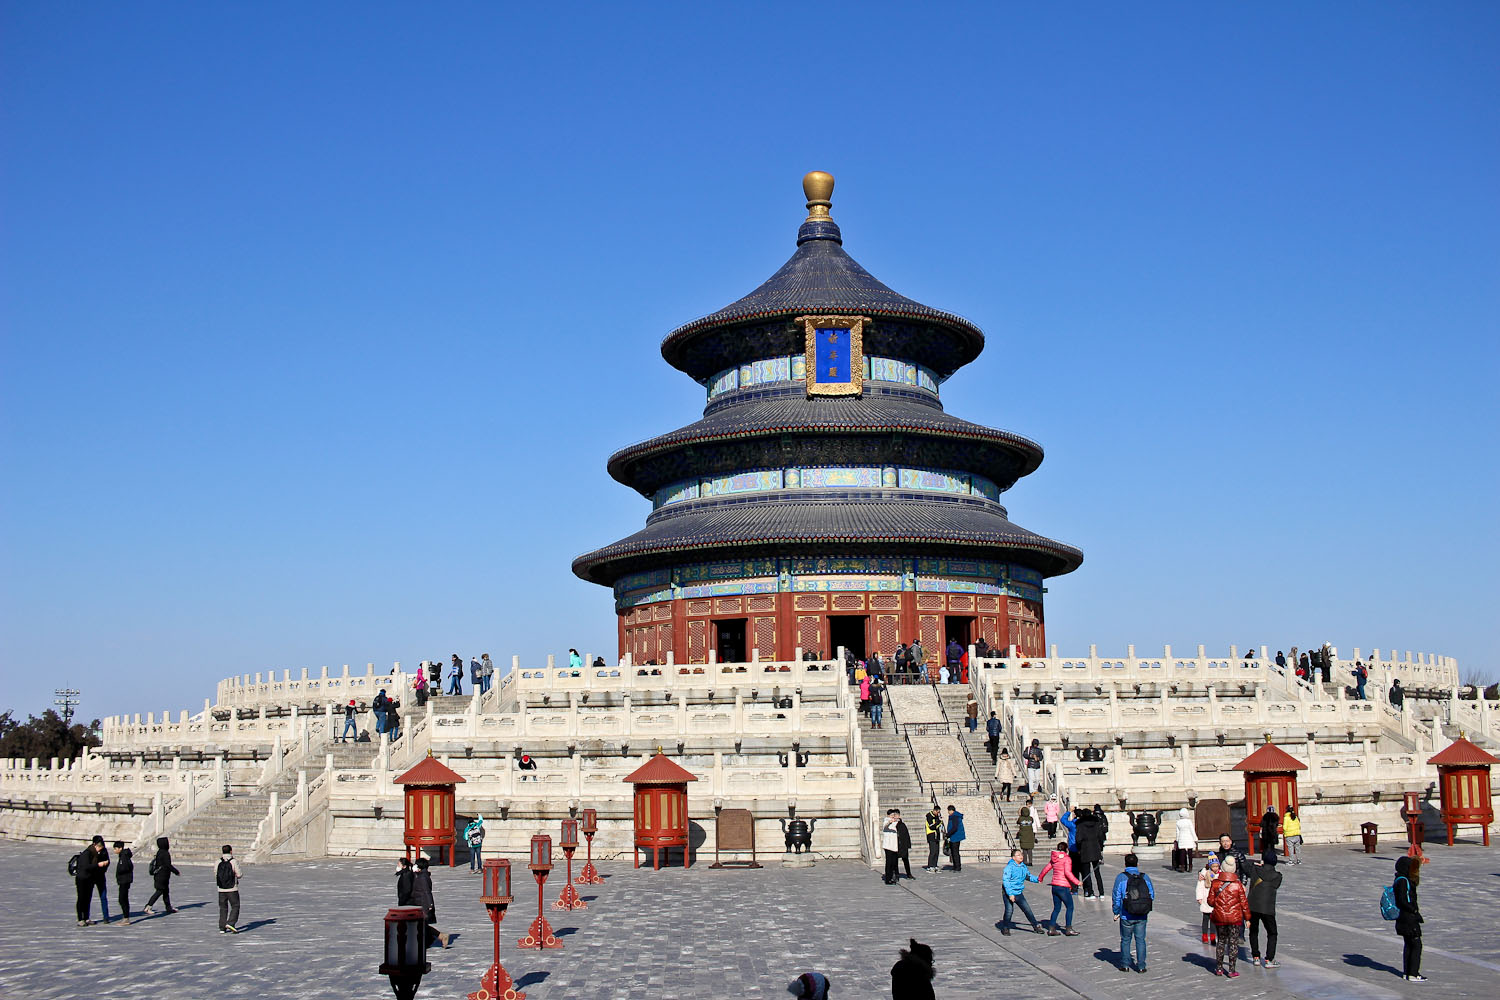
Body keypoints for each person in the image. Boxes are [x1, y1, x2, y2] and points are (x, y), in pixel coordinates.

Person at [1111, 852, 1155, 973]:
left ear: (1125, 864)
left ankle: (1125, 965)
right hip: (1142, 914)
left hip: (1126, 914)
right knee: (1140, 940)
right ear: (1137, 864)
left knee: (1126, 939)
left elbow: (1116, 896)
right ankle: (1141, 966)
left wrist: (1116, 911)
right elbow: (1151, 895)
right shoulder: (1145, 877)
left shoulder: (1121, 877)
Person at [1209, 855, 1250, 977]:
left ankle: (1219, 968)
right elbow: (1244, 903)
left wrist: (1218, 903)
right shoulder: (1237, 885)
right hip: (1234, 918)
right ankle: (1232, 970)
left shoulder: (1215, 883)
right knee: (1233, 943)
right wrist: (1247, 918)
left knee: (1221, 941)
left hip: (1220, 917)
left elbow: (1210, 901)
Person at [1393, 855, 1425, 982]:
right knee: (1416, 944)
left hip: (1403, 917)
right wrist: (1414, 910)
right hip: (1408, 917)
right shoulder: (1403, 881)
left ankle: (1407, 972)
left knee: (1409, 944)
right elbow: (1402, 900)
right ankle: (1413, 973)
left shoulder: (1399, 879)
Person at [1248, 853, 1282, 968]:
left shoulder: (1255, 870)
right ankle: (1269, 959)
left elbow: (1245, 866)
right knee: (1272, 933)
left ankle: (1256, 957)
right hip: (1267, 908)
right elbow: (1276, 885)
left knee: (1253, 931)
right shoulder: (1277, 876)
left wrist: (1257, 865)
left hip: (1252, 906)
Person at [1040, 840, 1082, 935]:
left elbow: (1046, 868)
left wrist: (1040, 877)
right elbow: (1067, 873)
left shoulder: (1054, 858)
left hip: (1055, 886)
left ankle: (1051, 928)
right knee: (1070, 907)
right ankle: (1068, 928)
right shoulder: (1067, 859)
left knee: (1057, 908)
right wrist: (1077, 882)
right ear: (1066, 849)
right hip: (1063, 887)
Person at [1000, 849, 1043, 934]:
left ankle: (1036, 926)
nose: (1021, 856)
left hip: (1018, 892)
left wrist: (1037, 879)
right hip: (1008, 892)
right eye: (1018, 855)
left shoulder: (1023, 866)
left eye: (1021, 854)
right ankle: (1005, 928)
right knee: (1009, 910)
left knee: (1027, 910)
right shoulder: (1009, 867)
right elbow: (1006, 881)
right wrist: (1010, 894)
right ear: (1013, 857)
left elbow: (1028, 876)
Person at [410, 857, 450, 948]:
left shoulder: (423, 877)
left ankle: (439, 936)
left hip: (423, 904)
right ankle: (437, 937)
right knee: (422, 924)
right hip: (419, 902)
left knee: (421, 924)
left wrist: (430, 904)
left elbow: (427, 892)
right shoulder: (420, 875)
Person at [73, 837, 109, 925]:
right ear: (95, 845)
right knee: (81, 898)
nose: (99, 850)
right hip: (82, 879)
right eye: (99, 848)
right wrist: (98, 865)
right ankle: (80, 919)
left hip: (89, 878)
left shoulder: (97, 853)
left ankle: (86, 918)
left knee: (87, 898)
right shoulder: (87, 853)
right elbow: (86, 866)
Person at [143, 836, 179, 914]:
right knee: (159, 891)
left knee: (165, 892)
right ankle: (148, 906)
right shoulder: (165, 853)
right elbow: (168, 865)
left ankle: (168, 908)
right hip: (162, 876)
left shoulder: (159, 852)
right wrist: (176, 872)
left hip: (159, 875)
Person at [1075, 807, 1106, 898]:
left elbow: (1078, 839)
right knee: (1097, 872)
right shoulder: (1096, 824)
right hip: (1095, 849)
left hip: (1085, 850)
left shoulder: (1080, 825)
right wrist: (1100, 849)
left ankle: (1090, 892)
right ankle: (1101, 892)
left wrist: (1079, 848)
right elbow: (1100, 837)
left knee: (1086, 872)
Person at [216, 844, 242, 934]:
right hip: (232, 888)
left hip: (221, 889)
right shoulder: (234, 861)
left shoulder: (218, 861)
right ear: (231, 851)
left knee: (223, 908)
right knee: (235, 906)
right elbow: (239, 874)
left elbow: (216, 873)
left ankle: (222, 927)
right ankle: (231, 922)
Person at [1196, 858, 1221, 943]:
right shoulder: (1204, 874)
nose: (1215, 868)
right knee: (1205, 919)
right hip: (1206, 899)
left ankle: (1213, 936)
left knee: (1213, 920)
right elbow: (1200, 887)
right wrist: (1199, 898)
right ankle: (1205, 935)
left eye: (1217, 866)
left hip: (1215, 900)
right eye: (1214, 866)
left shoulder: (1220, 875)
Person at [113, 840, 134, 925]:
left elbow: (126, 867)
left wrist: (120, 871)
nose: (114, 850)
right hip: (123, 880)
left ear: (120, 848)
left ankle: (126, 918)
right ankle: (125, 917)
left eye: (115, 848)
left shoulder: (124, 856)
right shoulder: (123, 855)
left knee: (122, 899)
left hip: (125, 880)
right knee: (122, 899)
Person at [1173, 806, 1198, 872]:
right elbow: (1192, 830)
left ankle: (1182, 866)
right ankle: (1190, 865)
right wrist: (1195, 838)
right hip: (1189, 838)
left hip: (1182, 838)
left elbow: (1177, 832)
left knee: (1182, 853)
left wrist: (1177, 840)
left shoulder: (1178, 822)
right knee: (1190, 853)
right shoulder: (1189, 821)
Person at [881, 810, 901, 885]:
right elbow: (885, 825)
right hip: (888, 846)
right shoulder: (886, 821)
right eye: (891, 815)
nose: (893, 816)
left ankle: (893, 877)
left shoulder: (895, 822)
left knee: (893, 863)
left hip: (894, 847)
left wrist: (897, 819)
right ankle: (888, 879)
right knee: (889, 863)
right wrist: (890, 821)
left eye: (894, 815)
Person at [944, 805, 966, 872]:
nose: (948, 812)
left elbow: (954, 828)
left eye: (948, 811)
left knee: (955, 852)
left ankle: (957, 867)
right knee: (954, 852)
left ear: (951, 810)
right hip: (954, 836)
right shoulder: (954, 816)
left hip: (955, 837)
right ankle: (955, 866)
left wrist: (948, 834)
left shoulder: (954, 816)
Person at [893, 808, 913, 879]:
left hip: (903, 845)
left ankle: (909, 874)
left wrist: (908, 845)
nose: (895, 817)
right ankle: (896, 874)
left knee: (905, 859)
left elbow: (906, 835)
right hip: (895, 845)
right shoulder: (892, 825)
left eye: (896, 815)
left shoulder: (902, 825)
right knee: (895, 861)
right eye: (894, 815)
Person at [923, 805, 943, 872]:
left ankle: (935, 865)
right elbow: (932, 826)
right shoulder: (929, 816)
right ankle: (930, 866)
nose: (938, 813)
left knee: (937, 852)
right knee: (933, 851)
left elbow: (937, 825)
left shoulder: (936, 817)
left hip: (936, 836)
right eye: (937, 812)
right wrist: (939, 823)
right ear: (934, 810)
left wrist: (939, 823)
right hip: (931, 836)